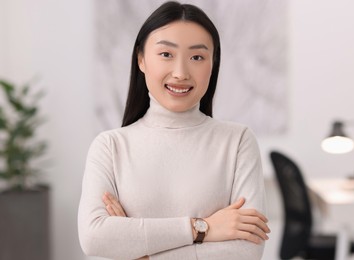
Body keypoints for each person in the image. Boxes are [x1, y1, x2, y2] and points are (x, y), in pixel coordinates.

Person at [78, 1, 270, 259]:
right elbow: (94, 238)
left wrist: (141, 253)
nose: (180, 73)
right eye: (166, 54)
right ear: (141, 59)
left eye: (197, 57)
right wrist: (203, 228)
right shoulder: (110, 147)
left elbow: (247, 251)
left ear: (213, 65)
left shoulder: (237, 142)